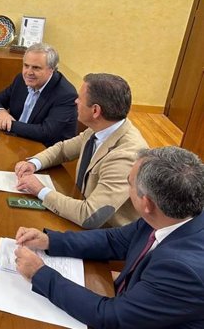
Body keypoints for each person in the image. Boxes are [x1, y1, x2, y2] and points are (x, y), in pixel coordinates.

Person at [14, 146, 204, 328]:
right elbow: (114, 240)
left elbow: (111, 317)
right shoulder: (172, 213)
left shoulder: (183, 270)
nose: (127, 188)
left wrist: (39, 274)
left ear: (147, 203)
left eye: (129, 183)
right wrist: (51, 241)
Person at [15, 73, 148, 229]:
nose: (75, 101)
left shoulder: (126, 156)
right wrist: (34, 163)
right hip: (78, 210)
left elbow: (89, 216)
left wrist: (40, 190)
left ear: (95, 110)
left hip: (104, 233)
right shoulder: (101, 128)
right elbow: (63, 149)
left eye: (80, 98)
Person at [0, 43, 77, 147]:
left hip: (44, 151)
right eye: (26, 66)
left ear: (52, 70)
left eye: (36, 68)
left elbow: (46, 132)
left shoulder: (66, 94)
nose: (29, 72)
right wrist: (1, 113)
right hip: (16, 141)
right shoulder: (21, 80)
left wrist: (8, 124)